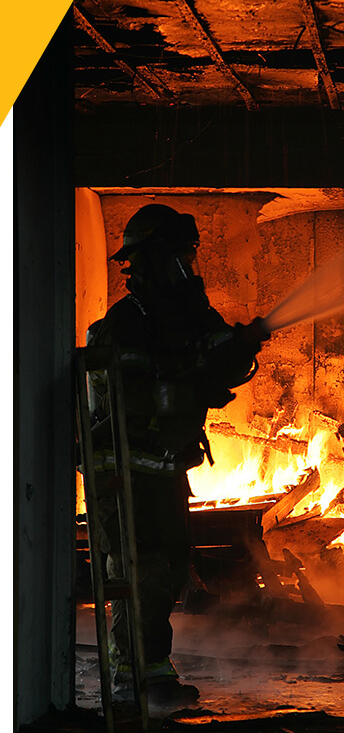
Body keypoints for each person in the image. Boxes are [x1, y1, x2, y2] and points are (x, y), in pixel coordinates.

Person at [87, 204, 269, 705]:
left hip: (165, 465)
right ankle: (131, 681)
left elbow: (223, 362)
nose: (187, 267)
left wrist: (243, 343)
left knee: (169, 568)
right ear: (146, 262)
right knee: (138, 569)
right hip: (122, 466)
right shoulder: (127, 322)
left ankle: (154, 670)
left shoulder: (192, 313)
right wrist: (193, 388)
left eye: (189, 256)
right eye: (178, 256)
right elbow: (133, 397)